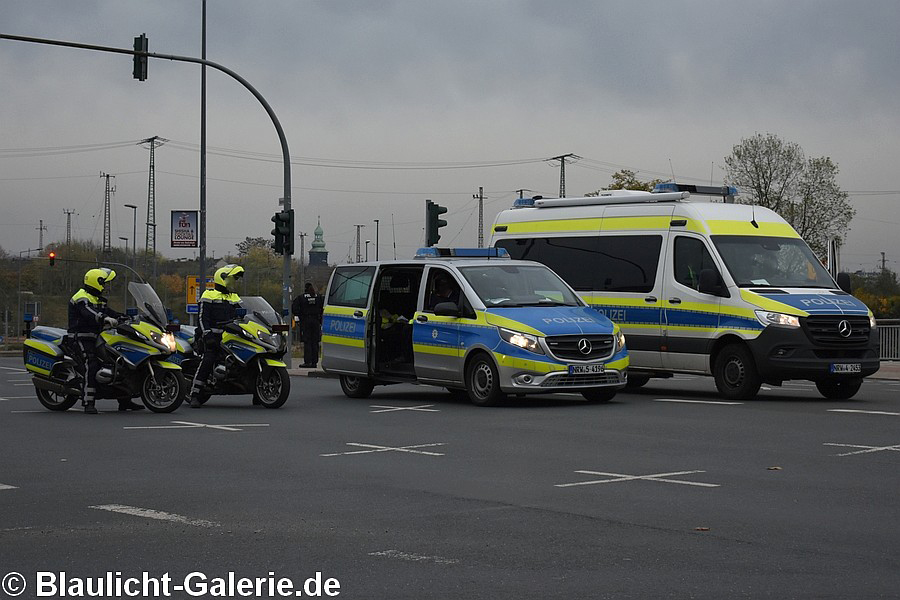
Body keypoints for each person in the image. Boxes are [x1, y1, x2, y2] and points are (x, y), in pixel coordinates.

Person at [68, 267, 141, 413]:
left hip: (97, 337)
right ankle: (88, 402)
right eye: (105, 283)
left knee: (119, 362)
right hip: (81, 337)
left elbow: (108, 311)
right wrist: (104, 318)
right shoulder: (81, 297)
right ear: (97, 282)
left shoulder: (97, 299)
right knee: (92, 362)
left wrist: (124, 317)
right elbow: (89, 313)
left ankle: (125, 400)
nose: (107, 286)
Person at [189, 264, 244, 408]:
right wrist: (207, 335)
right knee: (209, 359)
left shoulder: (234, 297)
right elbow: (201, 319)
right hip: (211, 337)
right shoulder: (209, 295)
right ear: (223, 278)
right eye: (233, 279)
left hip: (229, 338)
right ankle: (195, 393)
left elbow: (244, 316)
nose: (235, 282)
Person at [297, 282, 323, 368]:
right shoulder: (318, 297)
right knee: (315, 342)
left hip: (306, 321)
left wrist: (301, 316)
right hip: (316, 321)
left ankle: (308, 362)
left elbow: (294, 308)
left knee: (307, 342)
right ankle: (314, 362)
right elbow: (322, 307)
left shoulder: (301, 297)